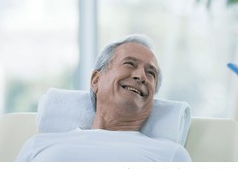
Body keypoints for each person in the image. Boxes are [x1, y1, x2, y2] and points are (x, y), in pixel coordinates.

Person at [16, 34, 191, 161]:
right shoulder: (38, 146)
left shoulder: (170, 155)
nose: (141, 76)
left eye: (150, 73)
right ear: (96, 80)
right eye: (130, 64)